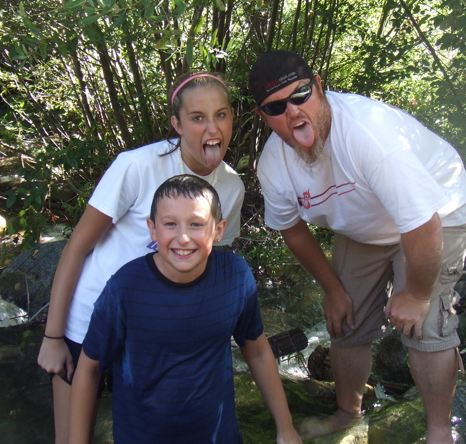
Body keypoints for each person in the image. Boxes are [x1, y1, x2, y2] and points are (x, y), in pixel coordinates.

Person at [249, 50, 466, 444]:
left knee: (423, 324)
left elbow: (423, 223)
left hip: (438, 212)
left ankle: (440, 432)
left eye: (301, 94)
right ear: (263, 116)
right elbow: (292, 229)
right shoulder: (273, 164)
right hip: (368, 227)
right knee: (344, 318)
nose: (292, 111)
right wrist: (333, 290)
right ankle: (347, 414)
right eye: (276, 106)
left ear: (319, 87)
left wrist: (418, 295)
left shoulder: (367, 133)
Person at [37, 72, 245, 444]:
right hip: (87, 322)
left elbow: (210, 268)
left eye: (222, 114)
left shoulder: (231, 186)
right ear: (177, 125)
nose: (212, 127)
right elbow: (77, 246)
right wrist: (53, 336)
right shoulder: (137, 166)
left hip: (151, 331)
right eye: (198, 117)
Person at [69, 175, 302, 444]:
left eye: (196, 224)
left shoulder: (235, 276)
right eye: (170, 224)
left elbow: (258, 350)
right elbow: (89, 369)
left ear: (218, 229)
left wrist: (286, 428)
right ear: (153, 229)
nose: (183, 237)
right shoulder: (125, 288)